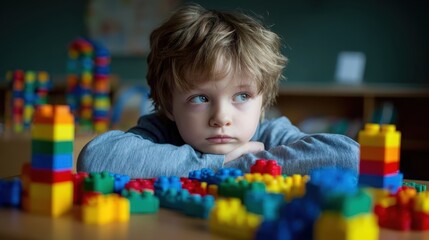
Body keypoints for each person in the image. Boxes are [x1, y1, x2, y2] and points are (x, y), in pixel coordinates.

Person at [77, 3, 359, 179]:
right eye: (200, 98)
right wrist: (218, 162)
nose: (221, 117)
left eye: (242, 96)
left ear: (262, 103)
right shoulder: (161, 131)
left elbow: (350, 156)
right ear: (169, 106)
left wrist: (246, 164)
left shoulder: (269, 134)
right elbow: (96, 157)